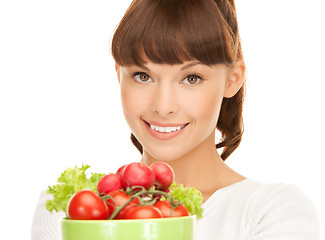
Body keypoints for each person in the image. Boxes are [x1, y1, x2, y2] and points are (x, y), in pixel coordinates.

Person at [31, 0, 320, 239]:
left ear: (232, 80)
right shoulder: (68, 208)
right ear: (119, 74)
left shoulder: (274, 211)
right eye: (142, 76)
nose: (164, 106)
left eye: (191, 78)